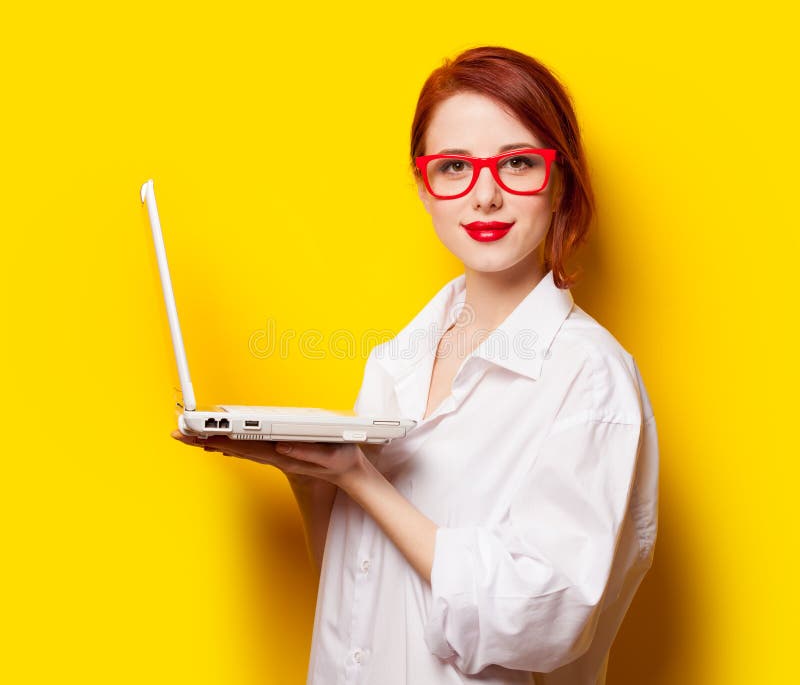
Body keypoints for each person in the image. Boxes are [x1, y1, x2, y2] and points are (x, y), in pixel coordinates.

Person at [172, 45, 659, 685]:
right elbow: (361, 580)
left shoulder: (590, 378)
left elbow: (546, 620)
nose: (485, 196)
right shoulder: (396, 360)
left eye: (516, 163)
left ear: (560, 178)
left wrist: (363, 480)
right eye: (454, 166)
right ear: (424, 184)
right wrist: (307, 470)